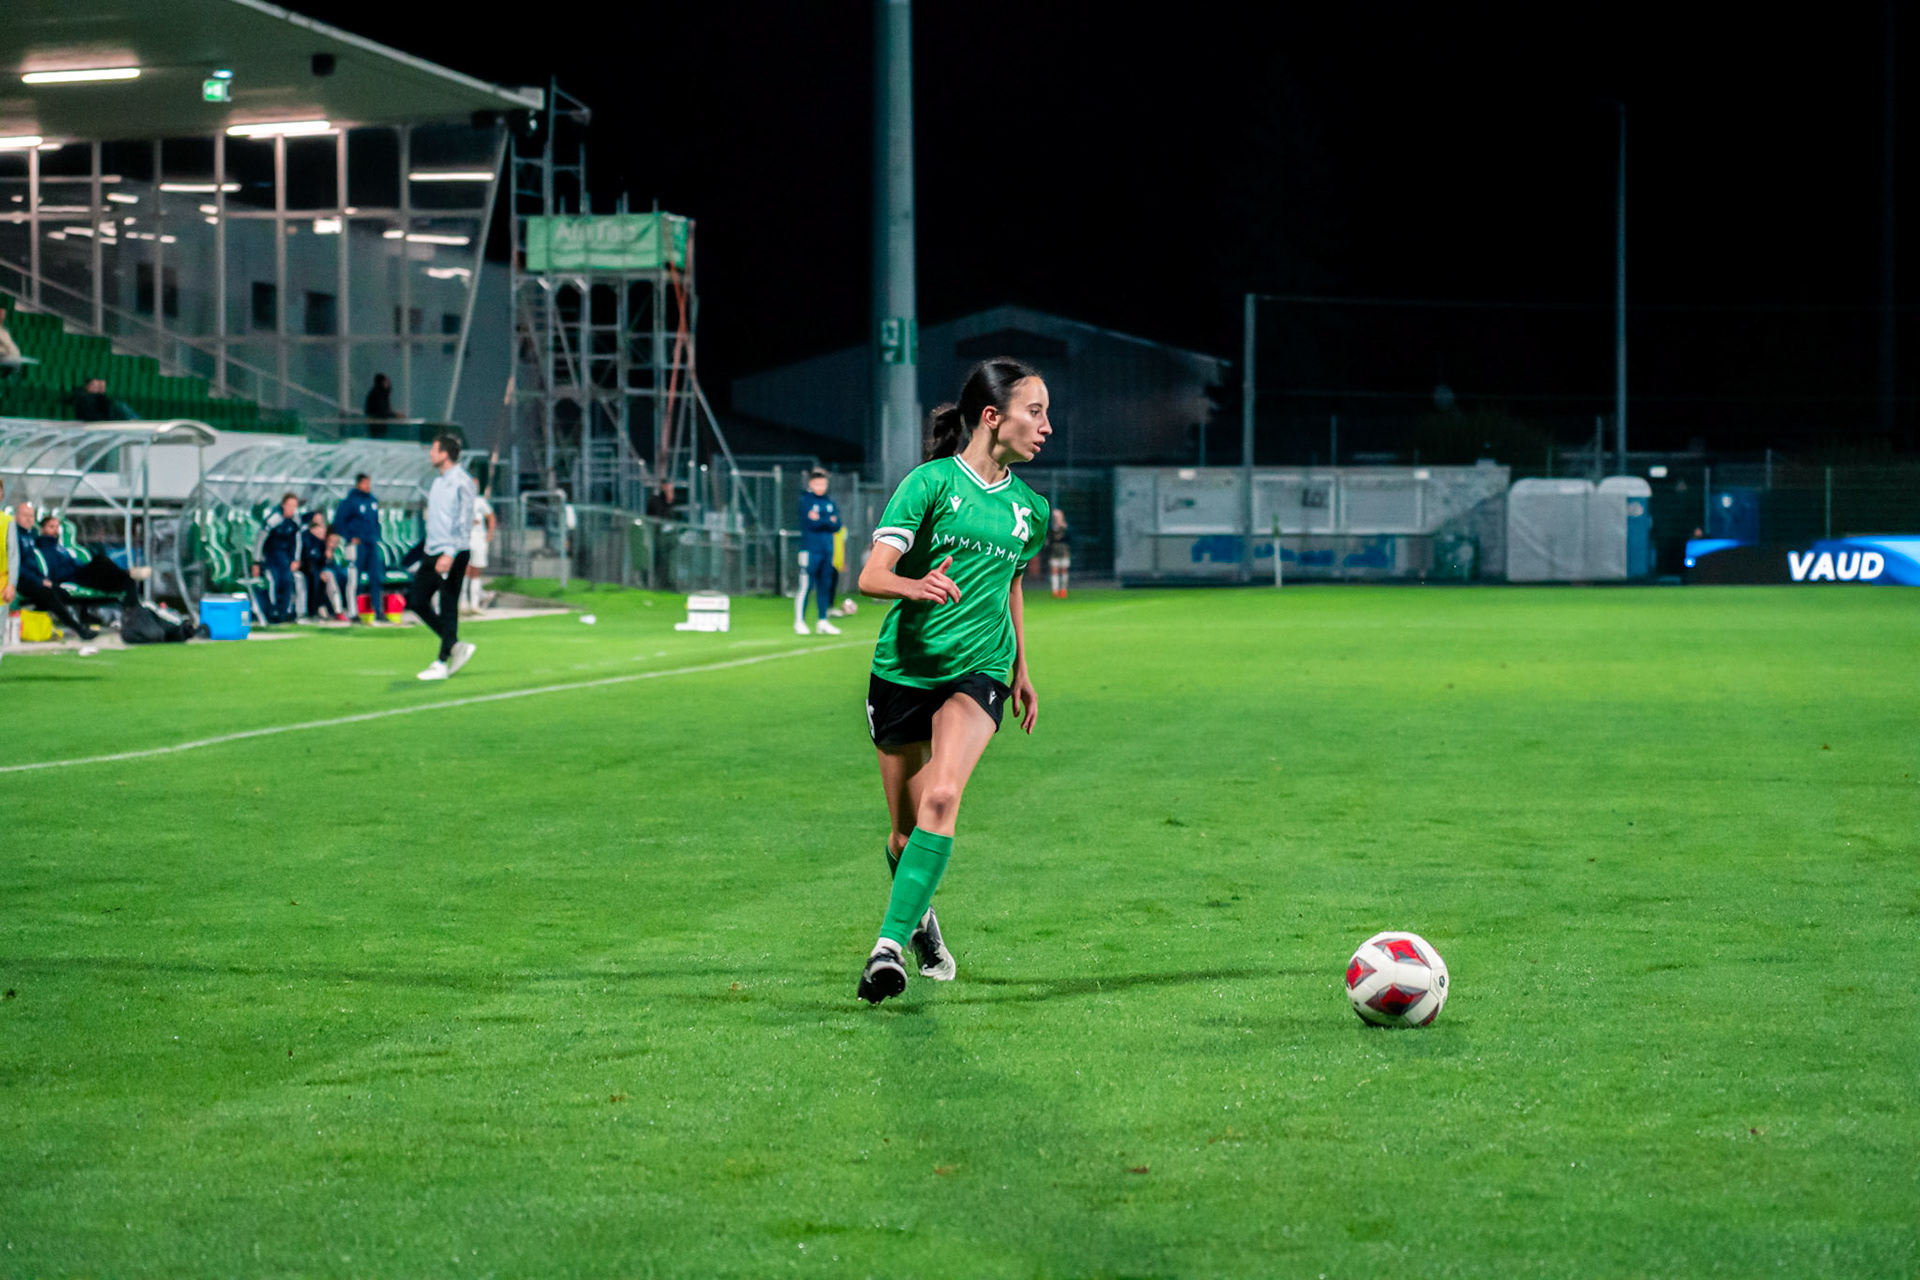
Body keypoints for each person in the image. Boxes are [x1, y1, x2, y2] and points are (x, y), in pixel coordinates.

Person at [851, 358, 1052, 1005]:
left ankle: (886, 948)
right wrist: (916, 584)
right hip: (904, 670)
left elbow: (1014, 581)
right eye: (1036, 411)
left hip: (979, 672)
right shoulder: (930, 484)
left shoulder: (1031, 510)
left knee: (943, 797)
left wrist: (1021, 667)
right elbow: (871, 575)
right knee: (906, 835)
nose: (1046, 426)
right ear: (992, 417)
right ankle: (921, 921)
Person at [413, 432, 476, 681]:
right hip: (432, 551)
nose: (430, 453)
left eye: (434, 449)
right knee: (416, 600)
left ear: (445, 454)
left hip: (452, 552)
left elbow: (463, 521)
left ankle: (441, 661)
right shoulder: (438, 482)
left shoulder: (463, 481)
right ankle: (454, 645)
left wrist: (450, 553)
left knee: (448, 605)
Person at [333, 474, 388, 622]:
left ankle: (379, 611)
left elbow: (376, 522)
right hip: (356, 546)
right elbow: (338, 522)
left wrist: (377, 536)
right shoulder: (349, 502)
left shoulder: (372, 501)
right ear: (358, 484)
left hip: (371, 544)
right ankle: (353, 611)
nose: (368, 486)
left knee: (376, 578)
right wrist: (350, 537)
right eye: (365, 483)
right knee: (354, 579)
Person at [795, 467, 843, 636]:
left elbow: (837, 525)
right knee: (806, 585)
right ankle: (799, 621)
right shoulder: (806, 500)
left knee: (825, 586)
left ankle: (822, 621)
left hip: (827, 551)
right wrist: (827, 521)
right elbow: (812, 523)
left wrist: (823, 520)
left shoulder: (830, 502)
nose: (820, 486)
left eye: (823, 483)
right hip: (810, 550)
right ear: (811, 484)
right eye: (817, 483)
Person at [252, 493, 302, 623]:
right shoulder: (273, 520)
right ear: (283, 505)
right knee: (274, 581)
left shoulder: (295, 522)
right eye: (289, 505)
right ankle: (273, 611)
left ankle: (286, 611)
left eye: (294, 506)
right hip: (271, 558)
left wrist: (296, 559)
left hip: (285, 558)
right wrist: (256, 561)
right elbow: (260, 540)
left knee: (288, 581)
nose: (292, 509)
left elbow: (297, 541)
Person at [297, 512, 342, 619]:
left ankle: (336, 609)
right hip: (308, 569)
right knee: (316, 577)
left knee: (331, 576)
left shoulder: (321, 544)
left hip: (318, 569)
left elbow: (324, 561)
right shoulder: (306, 539)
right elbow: (307, 560)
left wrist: (328, 553)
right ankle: (316, 610)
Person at [464, 483, 496, 612]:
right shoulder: (460, 500)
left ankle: (475, 604)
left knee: (476, 569)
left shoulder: (480, 502)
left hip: (479, 537)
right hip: (465, 538)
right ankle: (462, 603)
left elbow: (491, 516)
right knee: (465, 569)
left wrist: (489, 534)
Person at [70, 377, 134, 422]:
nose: (100, 389)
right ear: (87, 386)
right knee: (119, 405)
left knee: (120, 405)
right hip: (98, 419)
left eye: (102, 387)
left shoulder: (100, 398)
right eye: (96, 386)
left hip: (107, 417)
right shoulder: (84, 397)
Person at [1046, 507, 1072, 599]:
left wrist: (1063, 529)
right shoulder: (1051, 527)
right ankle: (1055, 590)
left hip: (1064, 551)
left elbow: (1070, 538)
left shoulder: (1066, 526)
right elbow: (1049, 539)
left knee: (1064, 570)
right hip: (1054, 551)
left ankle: (1063, 590)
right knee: (1054, 570)